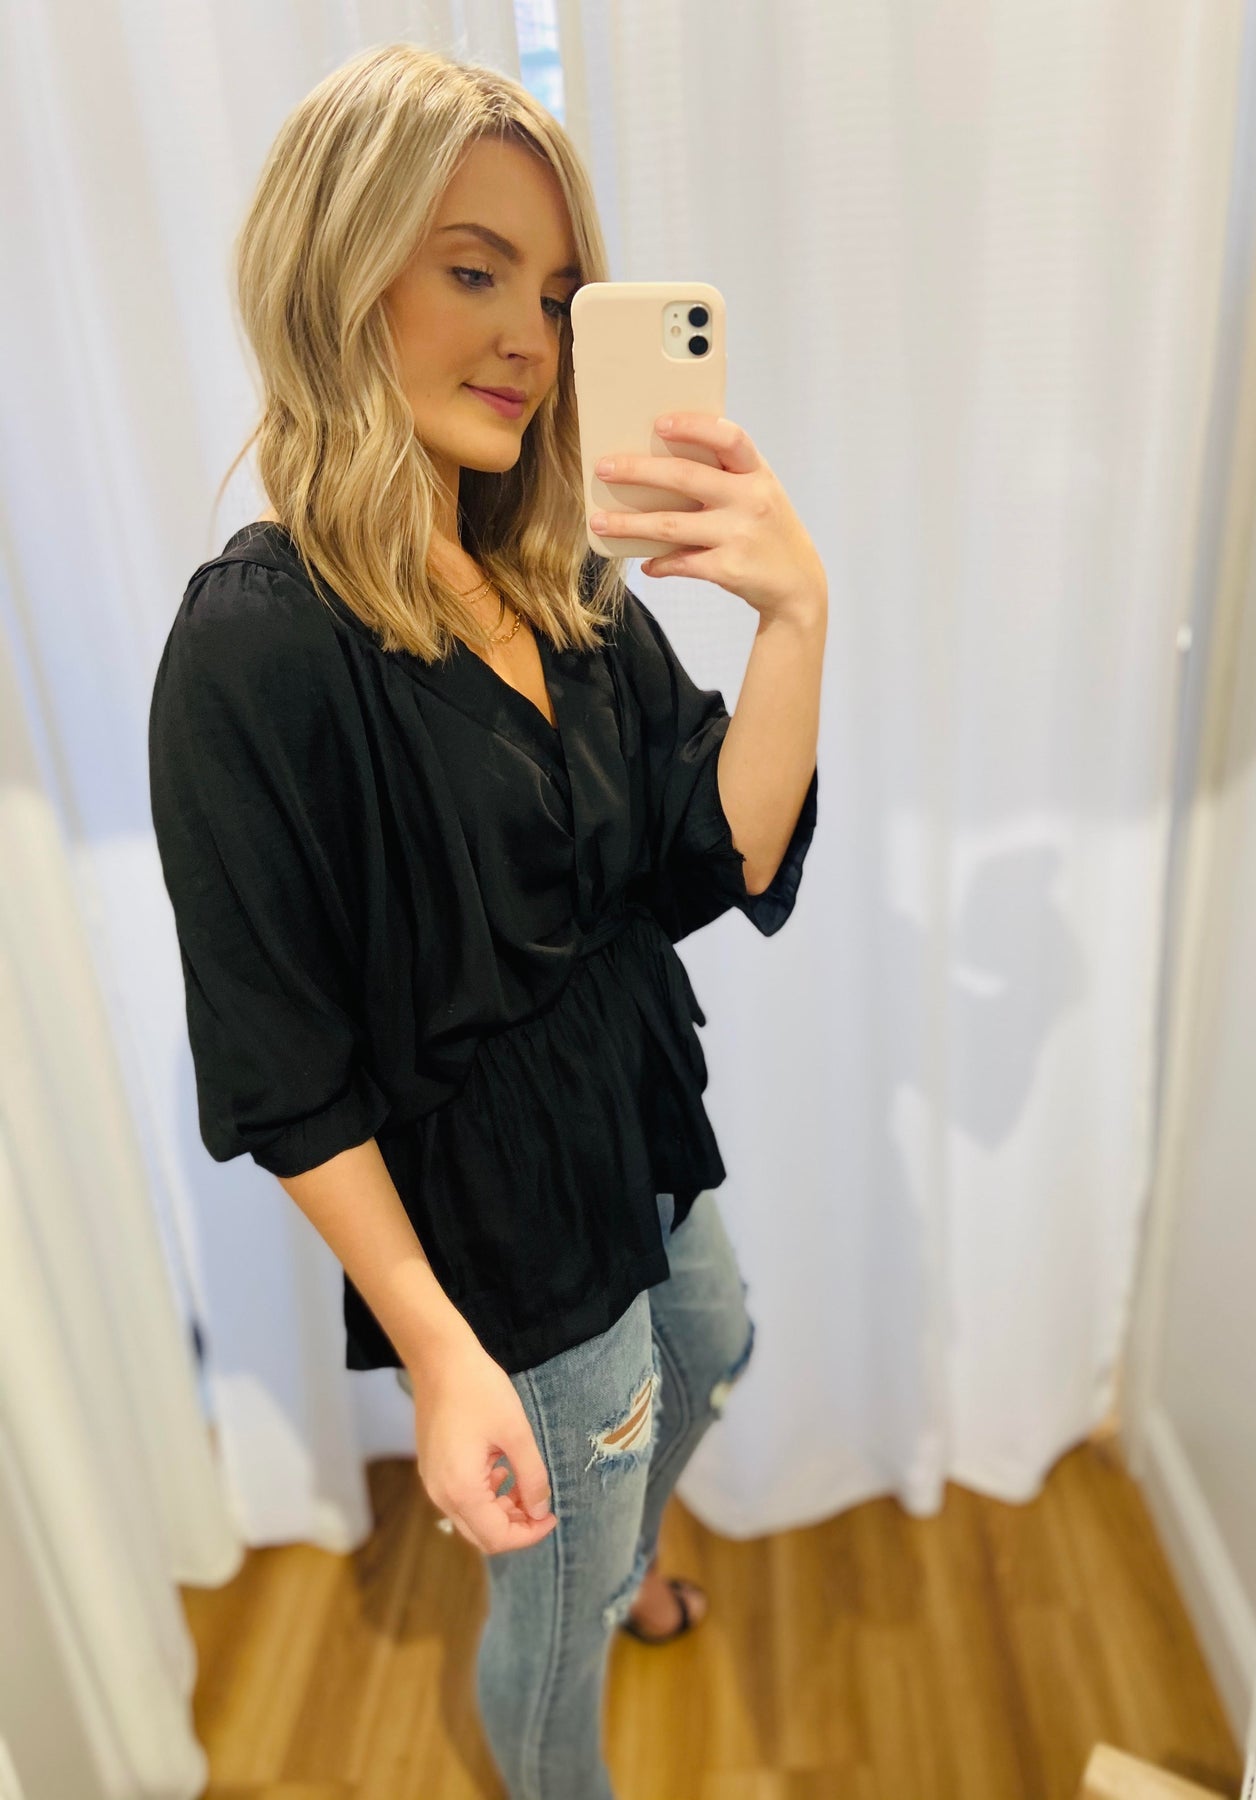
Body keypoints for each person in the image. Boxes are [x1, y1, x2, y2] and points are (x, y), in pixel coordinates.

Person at [148, 40, 824, 1800]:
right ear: (339, 270)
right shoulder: (255, 649)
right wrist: (441, 1352)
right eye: (473, 272)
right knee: (561, 1585)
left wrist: (794, 623)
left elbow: (719, 852)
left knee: (713, 1345)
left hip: (630, 1105)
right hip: (494, 1218)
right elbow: (283, 1069)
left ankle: (620, 1551)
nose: (530, 334)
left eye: (557, 294)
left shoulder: (560, 579)